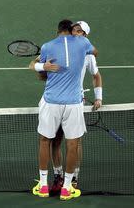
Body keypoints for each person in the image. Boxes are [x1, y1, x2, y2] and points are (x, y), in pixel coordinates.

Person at [30, 19, 95, 201]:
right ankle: (67, 187)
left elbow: (40, 73)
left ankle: (43, 186)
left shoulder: (47, 46)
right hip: (73, 103)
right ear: (71, 30)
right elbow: (95, 52)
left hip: (51, 102)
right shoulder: (83, 43)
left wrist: (41, 65)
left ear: (58, 30)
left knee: (45, 141)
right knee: (73, 144)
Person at [48, 21, 103, 194]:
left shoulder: (88, 54)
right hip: (55, 101)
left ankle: (73, 177)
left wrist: (98, 98)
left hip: (75, 102)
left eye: (79, 31)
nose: (75, 33)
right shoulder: (60, 47)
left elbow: (96, 76)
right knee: (55, 140)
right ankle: (58, 175)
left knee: (75, 143)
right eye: (74, 30)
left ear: (85, 36)